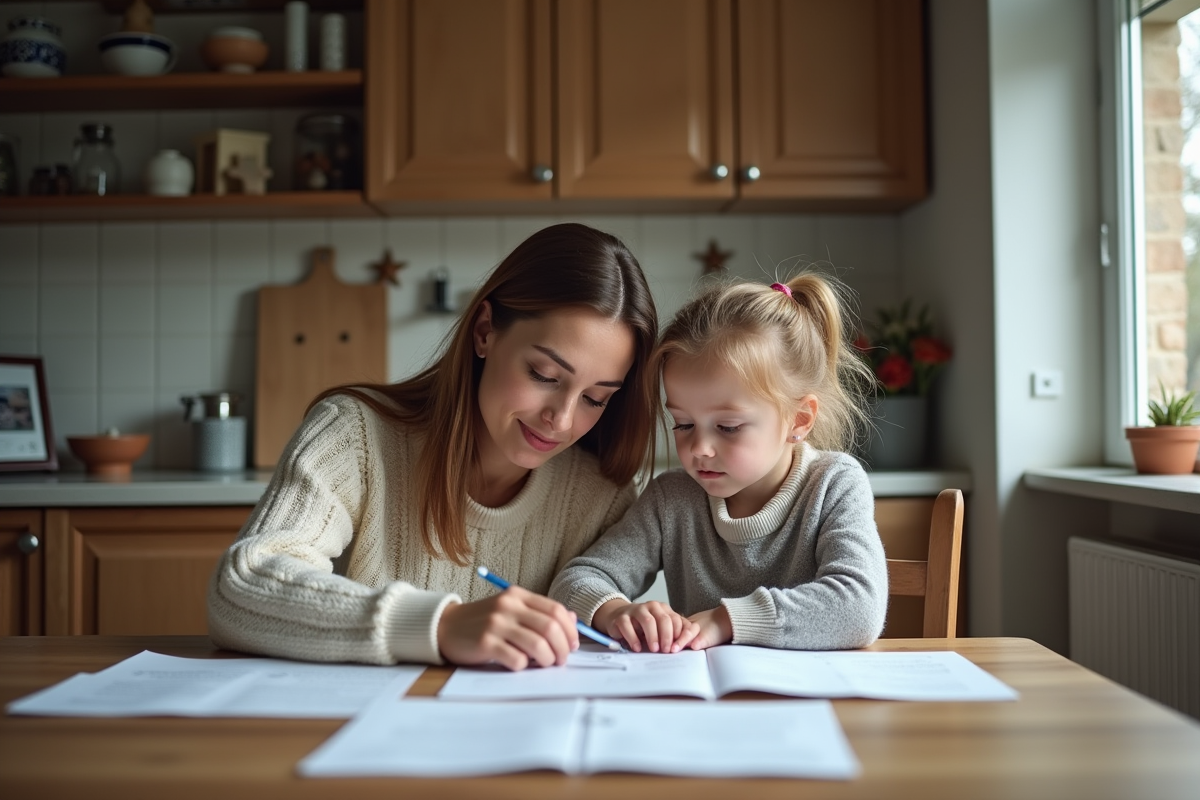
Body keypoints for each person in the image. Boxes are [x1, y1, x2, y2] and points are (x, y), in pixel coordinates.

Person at [208, 223, 659, 671]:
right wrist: (440, 625)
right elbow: (241, 587)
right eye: (543, 374)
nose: (561, 419)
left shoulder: (601, 496)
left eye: (595, 398)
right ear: (485, 331)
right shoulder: (354, 437)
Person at [550, 274, 888, 653]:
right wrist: (615, 612)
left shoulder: (834, 484)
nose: (700, 448)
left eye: (727, 427)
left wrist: (725, 621)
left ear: (799, 420)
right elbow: (575, 581)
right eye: (683, 423)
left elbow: (860, 608)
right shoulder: (672, 499)